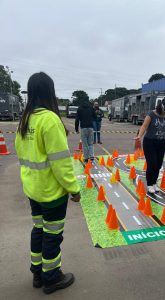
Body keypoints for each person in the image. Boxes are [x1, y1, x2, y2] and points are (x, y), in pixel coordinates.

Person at [15, 72, 81, 294]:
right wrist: (74, 189)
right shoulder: (50, 119)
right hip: (52, 193)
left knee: (39, 230)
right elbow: (61, 162)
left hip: (33, 190)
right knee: (53, 234)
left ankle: (37, 272)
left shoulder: (25, 119)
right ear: (50, 92)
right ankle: (51, 277)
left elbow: (22, 154)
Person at [135, 97, 165, 194]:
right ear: (162, 106)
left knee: (158, 165)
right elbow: (144, 126)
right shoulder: (151, 114)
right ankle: (149, 184)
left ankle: (154, 183)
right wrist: (139, 136)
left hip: (161, 143)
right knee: (152, 164)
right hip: (150, 142)